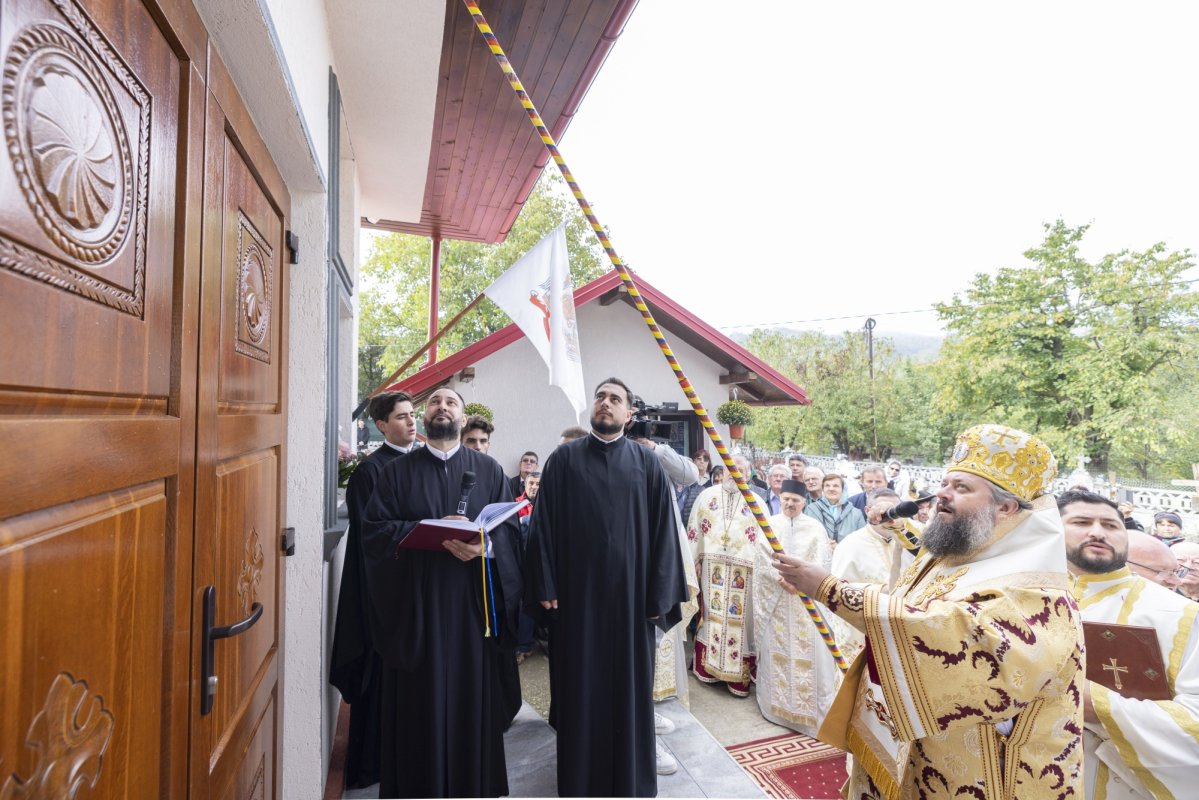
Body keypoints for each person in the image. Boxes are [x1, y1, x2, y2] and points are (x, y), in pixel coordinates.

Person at [774, 424, 1083, 799]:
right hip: (919, 745)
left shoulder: (1037, 590)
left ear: (1006, 507)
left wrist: (828, 588)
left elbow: (952, 640)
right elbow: (917, 588)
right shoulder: (969, 548)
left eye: (961, 488)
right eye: (946, 482)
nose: (942, 493)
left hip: (979, 773)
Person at [525, 377, 686, 797]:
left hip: (632, 604)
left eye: (615, 399)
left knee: (629, 689)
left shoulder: (647, 464)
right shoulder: (562, 460)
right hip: (576, 600)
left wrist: (659, 595)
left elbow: (664, 533)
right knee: (580, 686)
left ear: (628, 414)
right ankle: (579, 781)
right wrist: (545, 581)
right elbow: (542, 527)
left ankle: (629, 777)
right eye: (600, 397)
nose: (605, 403)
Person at [359, 387, 521, 798]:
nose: (442, 407)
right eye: (434, 402)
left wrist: (485, 547)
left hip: (472, 615)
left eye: (451, 403)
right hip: (418, 613)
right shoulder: (394, 473)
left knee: (471, 706)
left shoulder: (489, 472)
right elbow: (374, 534)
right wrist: (423, 531)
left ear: (463, 419)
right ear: (423, 416)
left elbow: (511, 537)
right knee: (420, 709)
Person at [1060, 490, 1199, 798]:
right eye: (1082, 521)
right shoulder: (1018, 600)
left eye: (1111, 525)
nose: (1098, 531)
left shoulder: (1181, 615)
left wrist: (1097, 705)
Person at [330, 391, 417, 790]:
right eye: (401, 417)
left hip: (412, 589)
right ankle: (370, 767)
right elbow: (372, 537)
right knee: (377, 680)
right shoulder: (370, 472)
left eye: (413, 415)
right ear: (382, 425)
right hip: (379, 591)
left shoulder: (418, 464)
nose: (411, 423)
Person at [630, 431, 701, 776]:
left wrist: (656, 449)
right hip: (631, 562)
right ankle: (638, 727)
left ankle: (648, 707)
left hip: (663, 559)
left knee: (660, 639)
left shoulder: (658, 455)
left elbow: (690, 475)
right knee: (632, 651)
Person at [752, 479, 839, 736]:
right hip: (776, 602)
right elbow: (760, 560)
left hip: (805, 603)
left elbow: (822, 561)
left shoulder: (814, 527)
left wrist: (801, 583)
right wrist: (781, 579)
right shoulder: (769, 524)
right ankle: (775, 709)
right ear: (780, 499)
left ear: (804, 502)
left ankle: (809, 717)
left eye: (795, 500)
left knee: (810, 653)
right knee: (777, 650)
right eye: (786, 499)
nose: (790, 504)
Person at [687, 452, 762, 696]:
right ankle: (709, 670)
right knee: (711, 615)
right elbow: (694, 531)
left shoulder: (756, 502)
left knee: (743, 624)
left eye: (740, 469)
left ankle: (737, 677)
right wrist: (694, 560)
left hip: (745, 573)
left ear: (748, 473)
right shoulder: (706, 496)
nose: (734, 472)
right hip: (712, 570)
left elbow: (765, 541)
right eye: (731, 468)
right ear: (724, 472)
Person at [828, 488, 917, 662]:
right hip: (866, 631)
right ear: (868, 511)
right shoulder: (850, 545)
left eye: (896, 510)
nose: (890, 515)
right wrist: (880, 590)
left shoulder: (911, 538)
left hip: (907, 627)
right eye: (883, 510)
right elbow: (837, 591)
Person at [804, 473, 866, 543]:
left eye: (836, 486)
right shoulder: (811, 509)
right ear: (823, 489)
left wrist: (839, 548)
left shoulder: (856, 513)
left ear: (843, 489)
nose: (831, 489)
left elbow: (862, 540)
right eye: (827, 485)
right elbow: (806, 535)